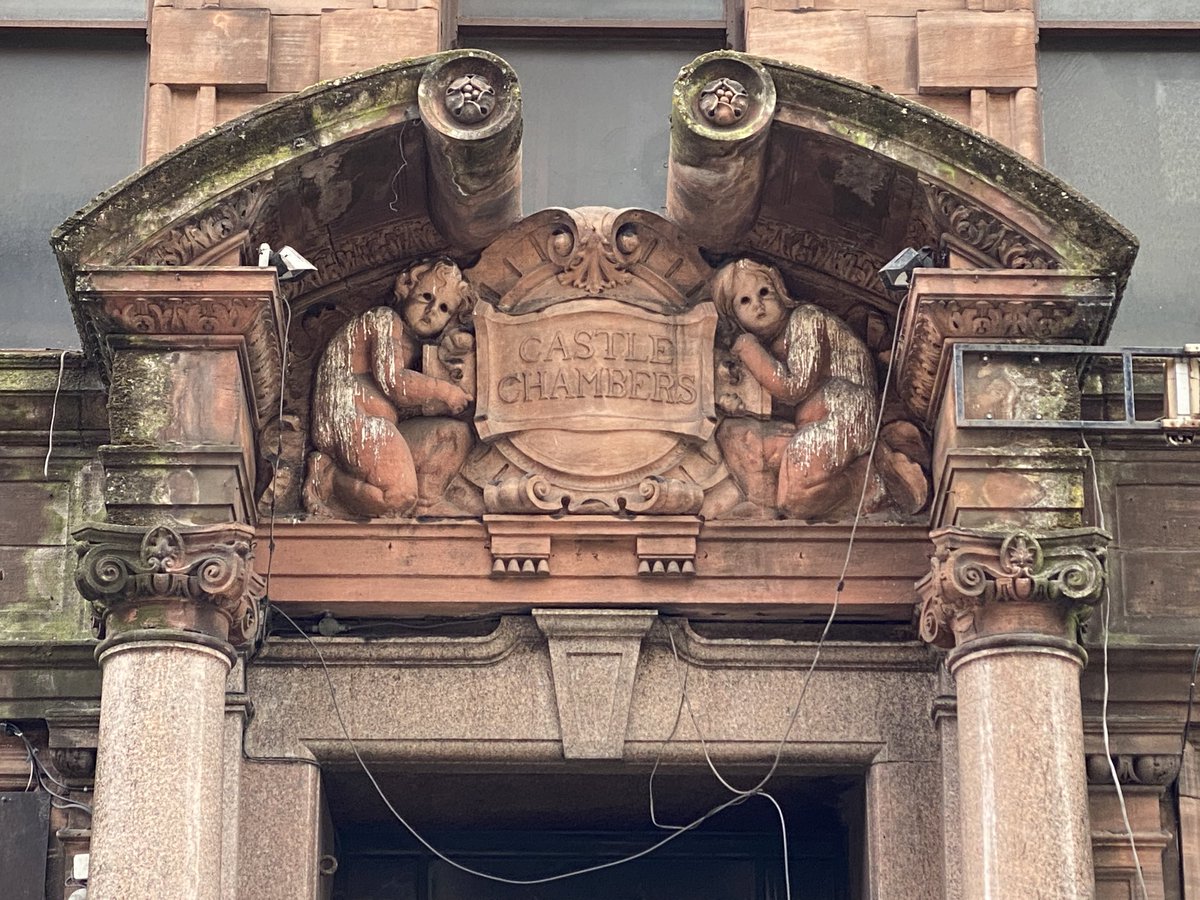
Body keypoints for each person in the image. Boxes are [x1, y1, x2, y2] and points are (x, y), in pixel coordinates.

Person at [712, 258, 926, 518]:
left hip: (847, 412)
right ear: (734, 317)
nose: (758, 304)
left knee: (794, 495)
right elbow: (774, 398)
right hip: (813, 423)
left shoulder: (806, 319)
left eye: (764, 292)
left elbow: (794, 387)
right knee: (742, 442)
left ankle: (873, 482)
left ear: (779, 288)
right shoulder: (773, 344)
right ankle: (766, 506)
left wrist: (748, 348)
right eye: (744, 301)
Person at [304, 258, 476, 517]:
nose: (431, 311)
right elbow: (392, 381)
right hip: (353, 421)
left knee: (456, 434)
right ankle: (329, 477)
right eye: (426, 296)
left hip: (384, 428)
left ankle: (426, 502)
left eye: (443, 308)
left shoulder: (415, 345)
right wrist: (445, 392)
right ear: (406, 287)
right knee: (397, 497)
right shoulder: (384, 318)